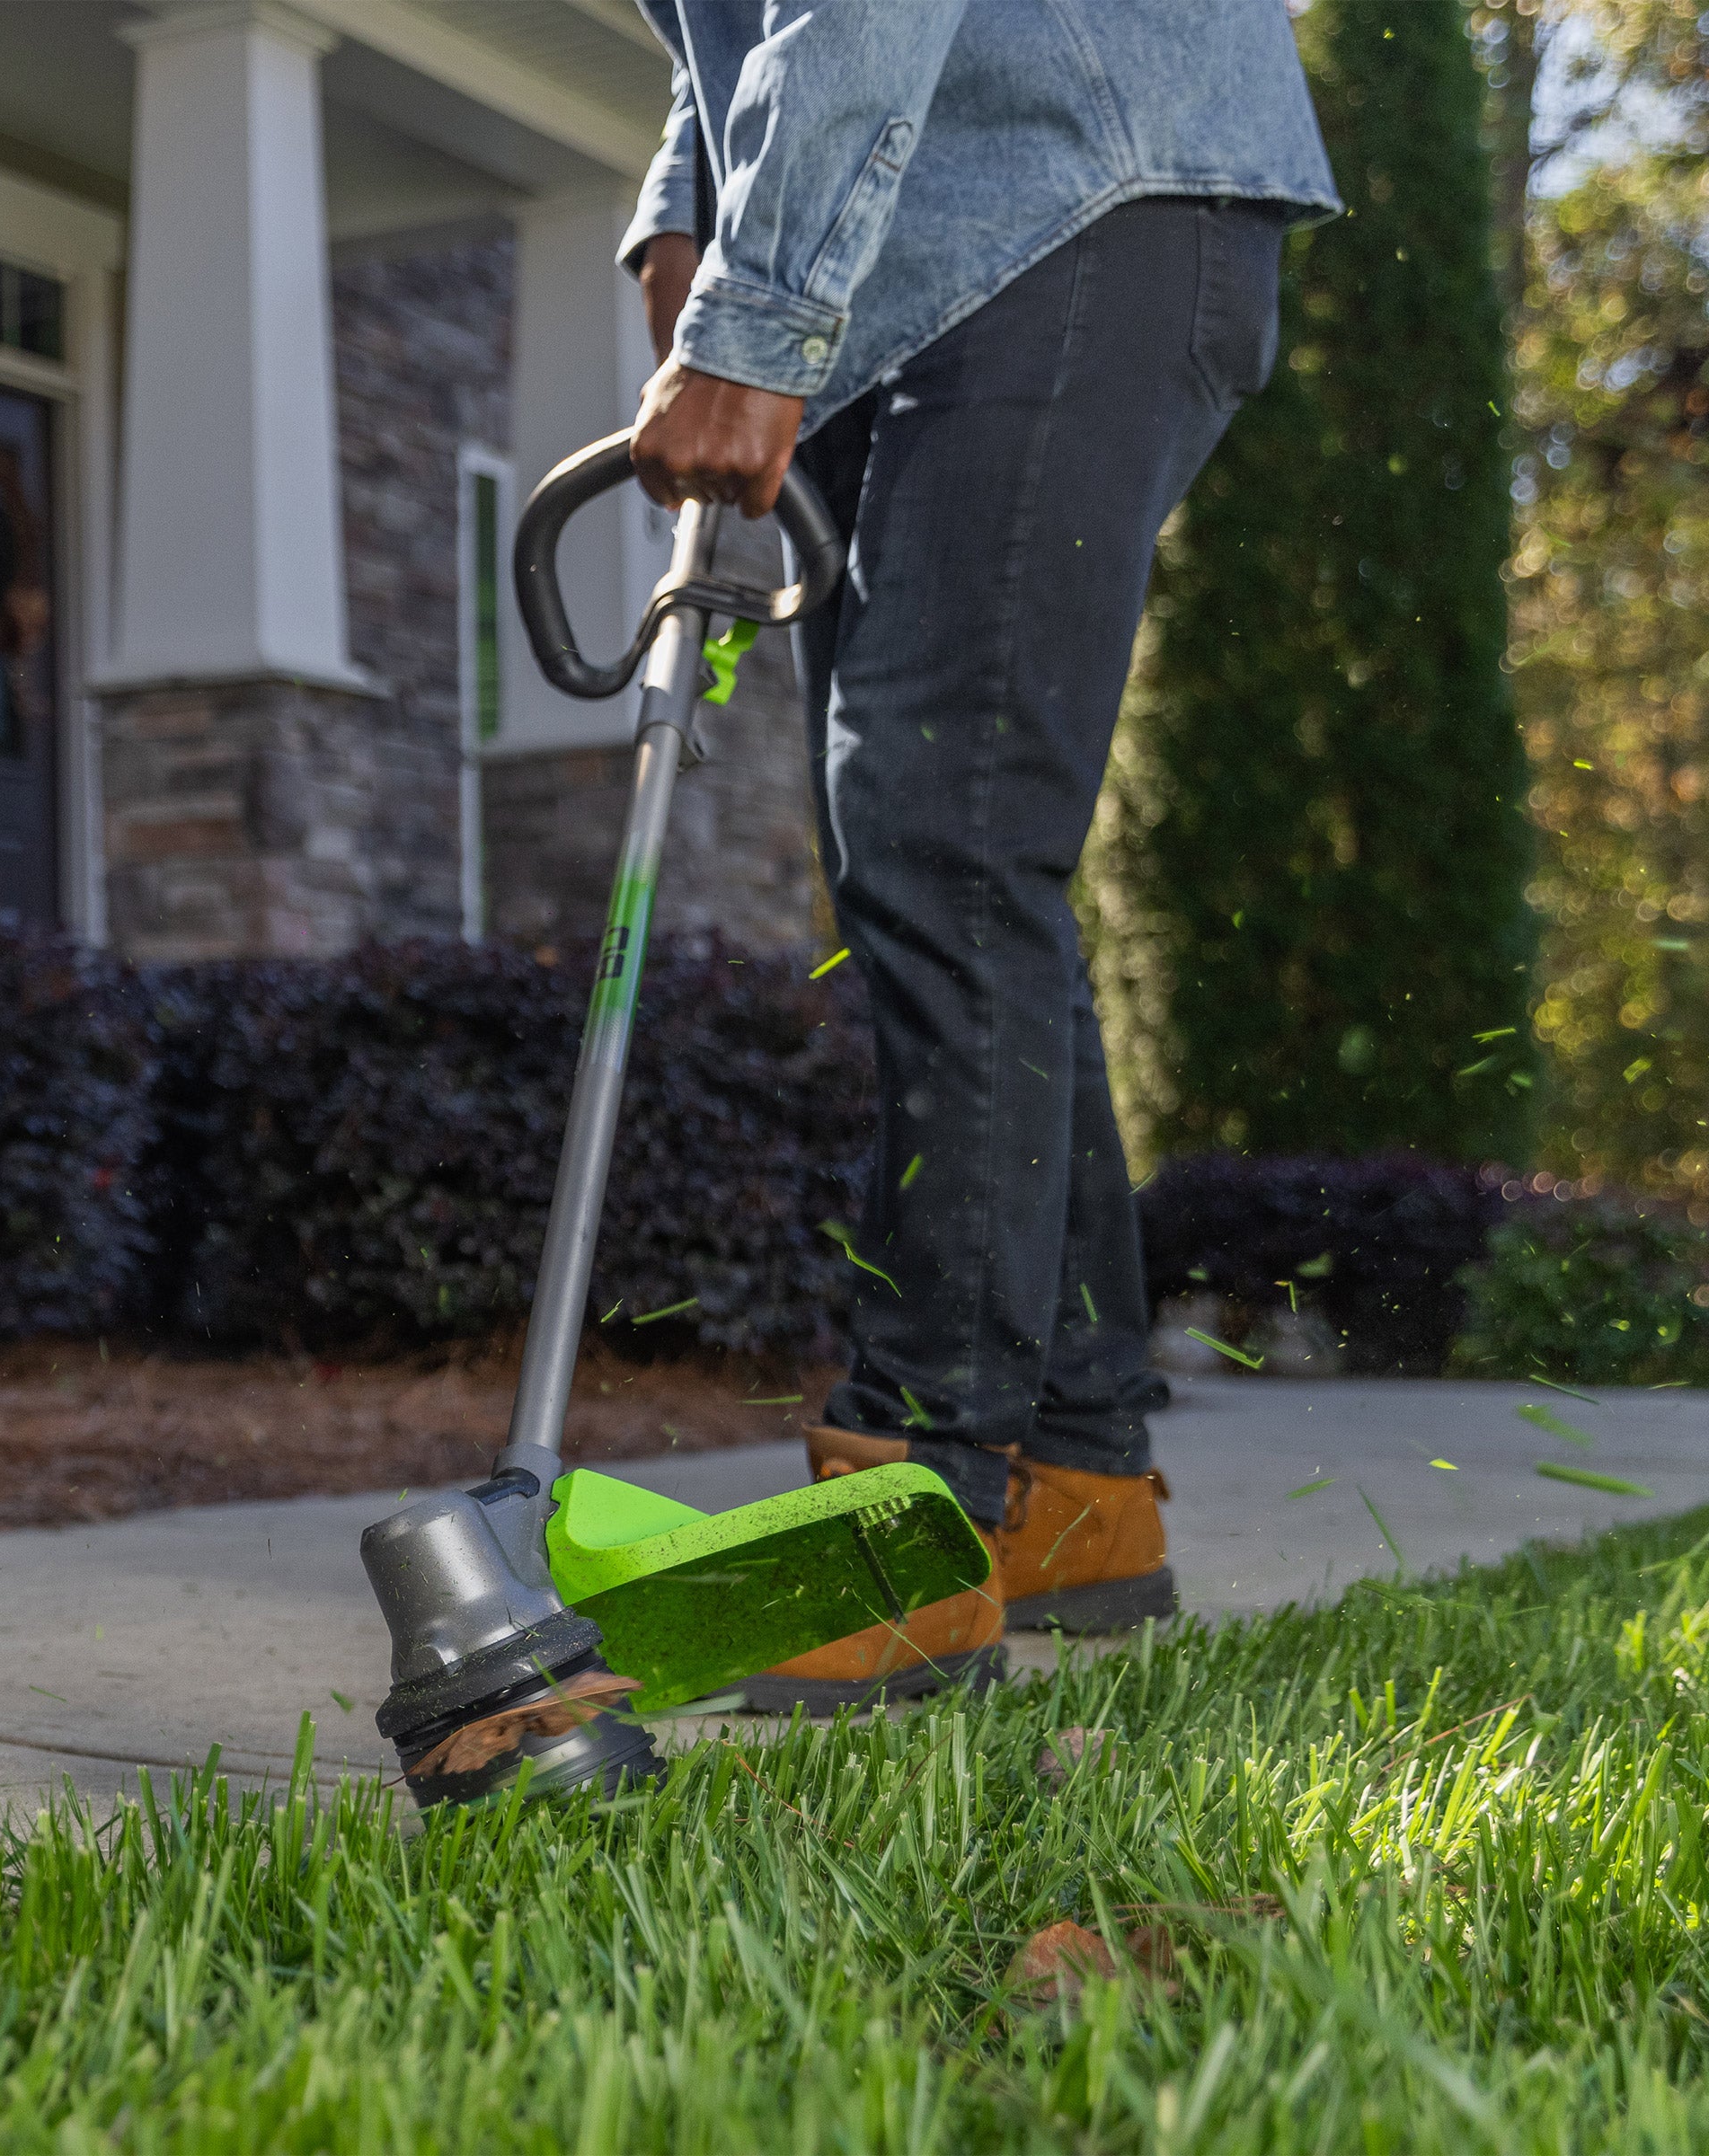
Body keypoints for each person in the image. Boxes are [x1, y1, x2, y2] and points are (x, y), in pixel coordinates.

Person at [622, 1, 1339, 1709]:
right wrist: (688, 215)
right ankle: (1075, 1492)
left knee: (944, 849)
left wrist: (758, 309)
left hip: (1069, 191)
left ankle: (917, 1501)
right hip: (917, 249)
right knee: (945, 867)